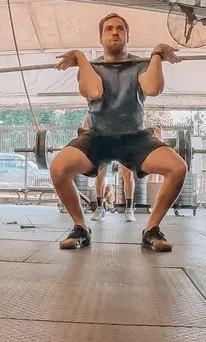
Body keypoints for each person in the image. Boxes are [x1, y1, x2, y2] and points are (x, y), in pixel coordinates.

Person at [49, 13, 187, 252]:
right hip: (97, 137)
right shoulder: (89, 67)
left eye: (120, 29)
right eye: (109, 29)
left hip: (134, 137)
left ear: (127, 36)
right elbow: (94, 92)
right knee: (58, 168)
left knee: (178, 168)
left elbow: (153, 89)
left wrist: (156, 54)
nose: (115, 32)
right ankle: (81, 228)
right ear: (101, 37)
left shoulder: (141, 65)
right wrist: (81, 57)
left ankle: (151, 229)